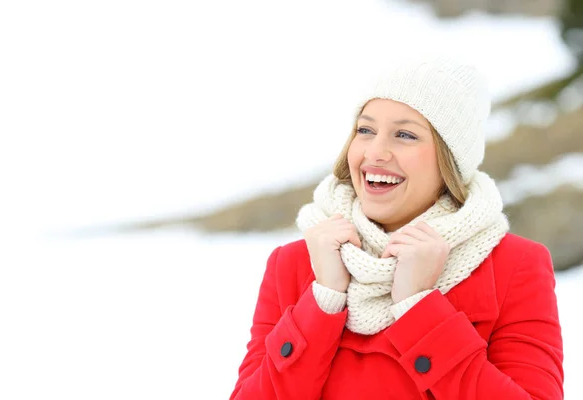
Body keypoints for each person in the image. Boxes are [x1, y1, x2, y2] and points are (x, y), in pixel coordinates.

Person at [229, 55, 564, 399]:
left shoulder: (514, 266)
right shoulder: (296, 263)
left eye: (405, 135)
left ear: (450, 160)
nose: (376, 152)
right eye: (365, 130)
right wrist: (324, 299)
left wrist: (420, 310)